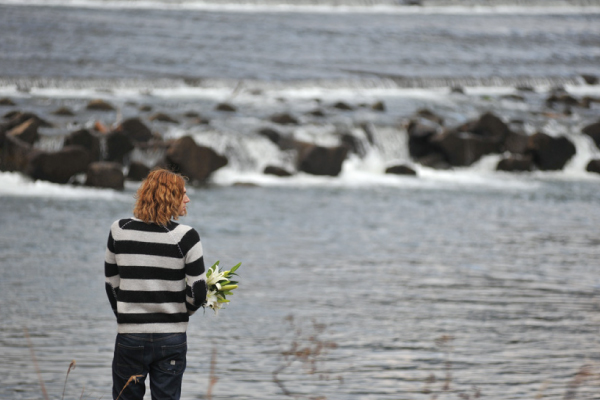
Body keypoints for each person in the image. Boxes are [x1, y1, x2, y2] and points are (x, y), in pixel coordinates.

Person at [104, 168, 207, 400]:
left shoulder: (119, 230)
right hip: (171, 338)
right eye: (183, 194)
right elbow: (199, 292)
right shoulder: (186, 237)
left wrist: (125, 314)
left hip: (129, 337)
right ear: (168, 197)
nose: (188, 199)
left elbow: (111, 284)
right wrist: (180, 312)